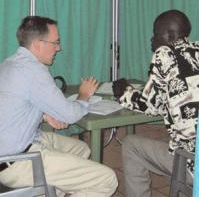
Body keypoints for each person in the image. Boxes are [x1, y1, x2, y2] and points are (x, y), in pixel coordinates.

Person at [0, 16, 118, 197]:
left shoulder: (10, 64)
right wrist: (84, 95)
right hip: (17, 162)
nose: (59, 48)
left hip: (21, 145)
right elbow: (70, 115)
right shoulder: (33, 71)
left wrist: (44, 115)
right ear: (38, 45)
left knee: (82, 149)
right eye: (55, 42)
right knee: (107, 179)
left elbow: (15, 106)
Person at [117, 10, 199, 197]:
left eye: (155, 34)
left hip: (193, 165)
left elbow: (149, 105)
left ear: (170, 36)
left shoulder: (165, 54)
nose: (152, 40)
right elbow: (176, 102)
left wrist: (124, 93)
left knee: (131, 145)